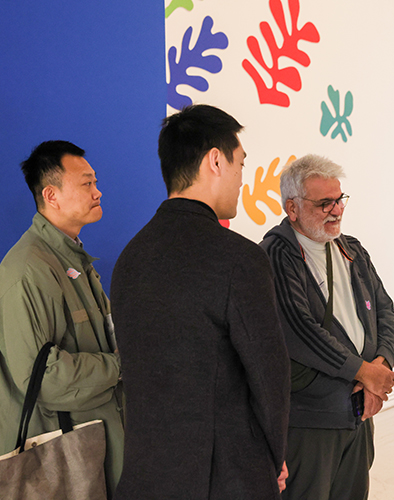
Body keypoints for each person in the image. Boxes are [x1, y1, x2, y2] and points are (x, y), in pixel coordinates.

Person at [110, 104, 290, 500]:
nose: (242, 178)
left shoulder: (129, 258)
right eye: (240, 164)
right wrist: (273, 459)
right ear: (215, 161)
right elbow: (269, 379)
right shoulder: (239, 258)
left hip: (145, 474)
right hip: (226, 477)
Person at [0, 141, 124, 500]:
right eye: (87, 183)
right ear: (51, 195)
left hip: (82, 462)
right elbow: (45, 379)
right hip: (49, 473)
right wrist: (119, 366)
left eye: (96, 182)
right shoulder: (27, 272)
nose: (98, 192)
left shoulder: (71, 260)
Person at [259, 154, 394, 500]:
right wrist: (363, 372)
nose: (337, 210)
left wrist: (380, 367)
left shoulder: (352, 250)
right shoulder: (275, 255)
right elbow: (300, 331)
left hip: (359, 414)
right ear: (292, 208)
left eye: (339, 200)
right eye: (325, 203)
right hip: (311, 423)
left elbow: (386, 313)